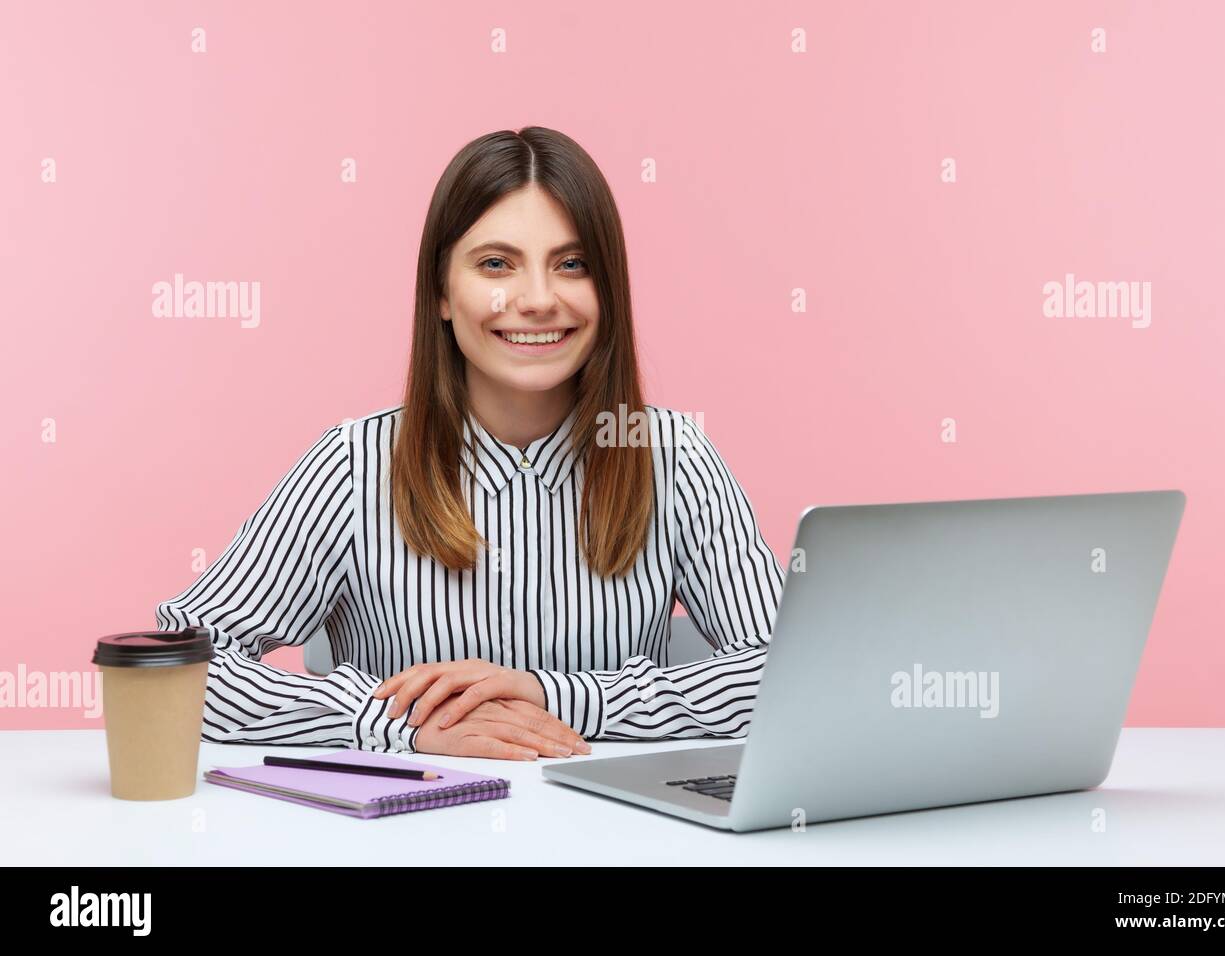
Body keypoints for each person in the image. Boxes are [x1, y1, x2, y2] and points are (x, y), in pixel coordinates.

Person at [156, 127, 785, 760]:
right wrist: (399, 724)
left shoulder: (669, 456)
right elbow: (177, 664)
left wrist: (555, 696)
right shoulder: (355, 465)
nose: (538, 300)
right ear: (441, 295)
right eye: (495, 264)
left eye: (572, 264)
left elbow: (789, 668)